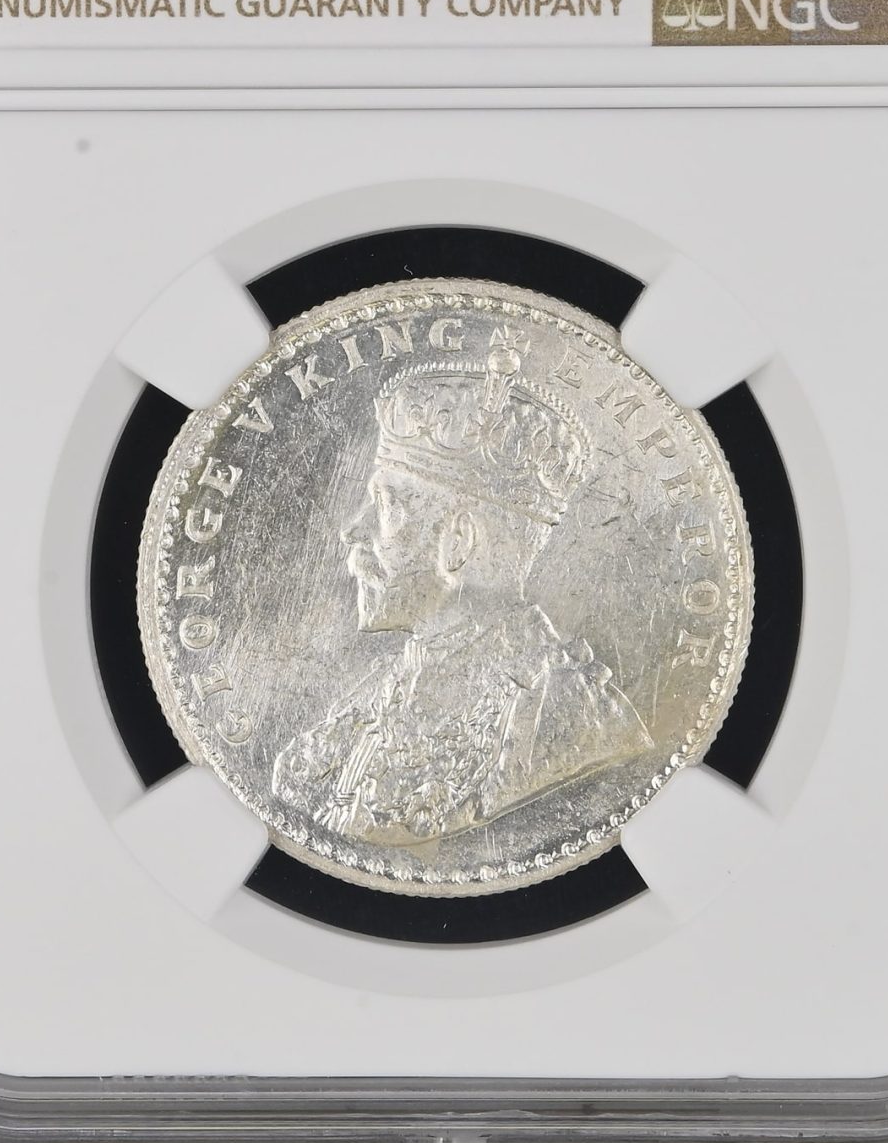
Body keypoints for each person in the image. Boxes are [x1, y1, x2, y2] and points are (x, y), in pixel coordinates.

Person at [271, 332, 654, 845]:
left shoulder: (572, 716)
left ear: (458, 542)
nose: (353, 530)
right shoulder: (386, 685)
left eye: (384, 506)